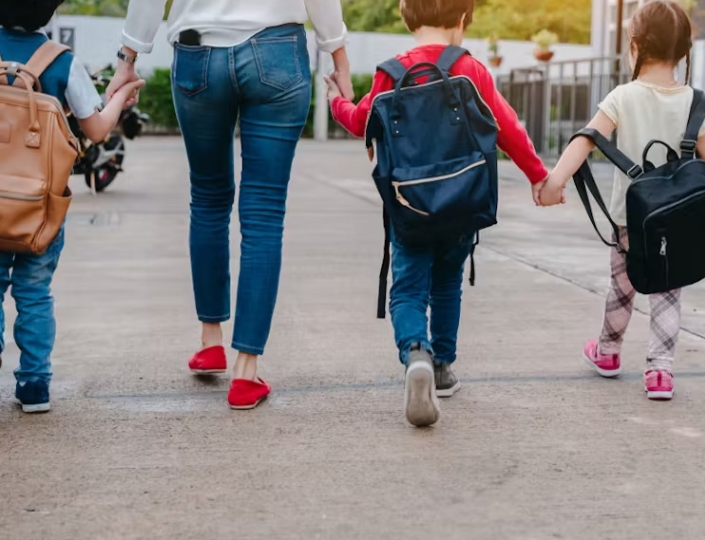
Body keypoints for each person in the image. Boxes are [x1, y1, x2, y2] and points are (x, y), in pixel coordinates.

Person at [104, 0, 353, 410]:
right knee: (264, 213)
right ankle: (246, 371)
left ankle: (210, 342)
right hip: (277, 52)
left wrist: (127, 58)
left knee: (207, 199)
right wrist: (338, 55)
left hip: (198, 53)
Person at [327, 0, 548, 426]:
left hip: (410, 207)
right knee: (448, 284)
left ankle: (416, 354)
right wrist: (539, 177)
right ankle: (443, 368)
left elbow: (359, 122)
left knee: (408, 289)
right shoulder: (470, 69)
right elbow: (508, 127)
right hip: (463, 203)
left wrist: (338, 100)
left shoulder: (389, 73)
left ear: (406, 15)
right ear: (464, 18)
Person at [538, 0, 705, 400]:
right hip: (679, 220)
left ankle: (609, 352)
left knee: (622, 287)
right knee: (668, 290)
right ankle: (660, 373)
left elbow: (586, 138)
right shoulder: (696, 102)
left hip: (630, 220)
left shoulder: (622, 96)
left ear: (633, 47)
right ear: (685, 52)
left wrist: (555, 182)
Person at [0, 0, 144, 413]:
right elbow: (97, 130)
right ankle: (33, 385)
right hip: (38, 208)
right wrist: (121, 95)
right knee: (34, 292)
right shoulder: (62, 62)